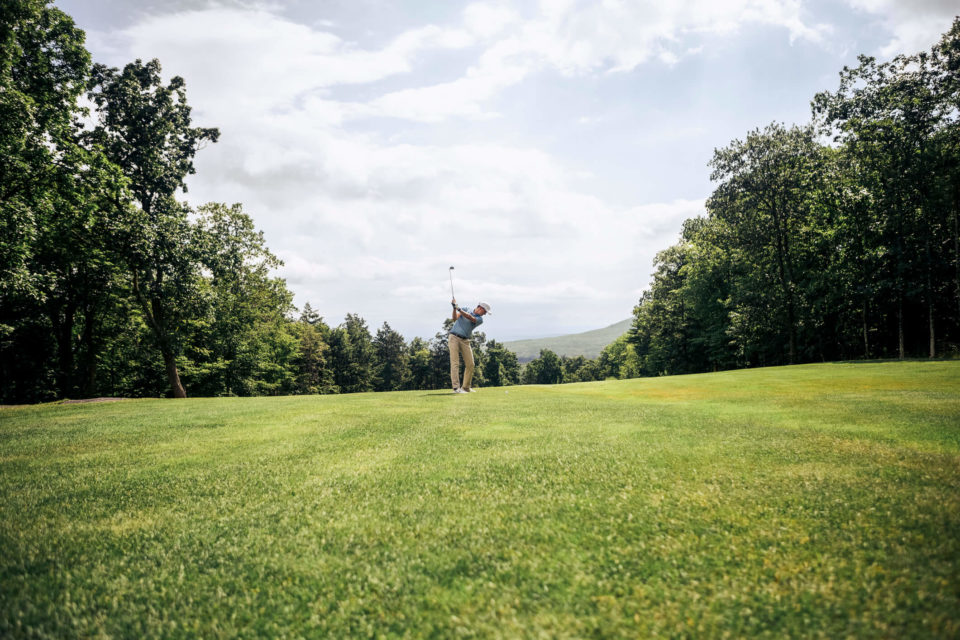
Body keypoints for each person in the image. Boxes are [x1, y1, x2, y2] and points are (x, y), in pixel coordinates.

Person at [449, 299, 491, 393]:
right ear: (480, 308)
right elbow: (455, 318)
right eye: (485, 312)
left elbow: (470, 317)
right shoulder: (465, 308)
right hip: (454, 337)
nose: (484, 314)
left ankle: (466, 387)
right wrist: (454, 309)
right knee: (455, 363)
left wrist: (458, 308)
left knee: (470, 364)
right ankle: (456, 388)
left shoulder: (480, 319)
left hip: (465, 340)